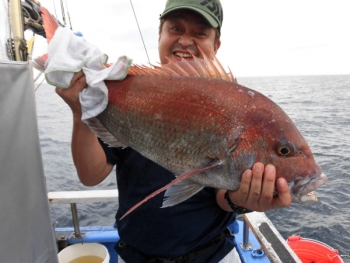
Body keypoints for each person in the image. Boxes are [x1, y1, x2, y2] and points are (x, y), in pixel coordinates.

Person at [56, 0, 292, 262]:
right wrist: (81, 113)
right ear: (160, 35)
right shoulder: (127, 93)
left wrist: (244, 199)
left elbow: (223, 197)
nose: (185, 41)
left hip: (212, 256)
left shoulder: (234, 108)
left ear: (216, 45)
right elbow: (91, 176)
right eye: (176, 28)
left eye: (200, 33)